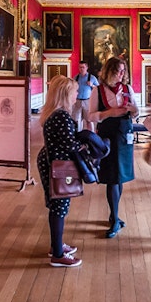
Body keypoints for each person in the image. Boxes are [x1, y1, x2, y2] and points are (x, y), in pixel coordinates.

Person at [86, 56, 136, 238]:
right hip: (107, 137)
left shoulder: (128, 89)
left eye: (123, 71)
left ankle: (114, 215)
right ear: (108, 72)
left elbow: (135, 113)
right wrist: (110, 113)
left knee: (120, 177)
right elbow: (90, 116)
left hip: (124, 137)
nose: (121, 75)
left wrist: (133, 111)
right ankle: (114, 219)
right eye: (117, 71)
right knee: (112, 178)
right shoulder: (97, 91)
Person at [37, 75, 81, 267]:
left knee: (57, 206)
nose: (77, 95)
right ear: (65, 94)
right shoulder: (61, 116)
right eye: (75, 92)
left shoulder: (53, 113)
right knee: (59, 207)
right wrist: (87, 145)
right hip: (58, 166)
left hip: (52, 162)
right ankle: (57, 254)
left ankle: (57, 245)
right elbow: (70, 145)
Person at [73, 61, 99, 131]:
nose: (81, 69)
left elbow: (98, 89)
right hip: (77, 101)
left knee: (89, 120)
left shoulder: (92, 78)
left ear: (87, 68)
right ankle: (78, 135)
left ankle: (91, 136)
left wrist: (92, 85)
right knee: (77, 120)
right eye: (80, 67)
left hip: (87, 101)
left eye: (83, 67)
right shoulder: (76, 77)